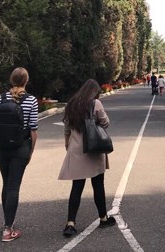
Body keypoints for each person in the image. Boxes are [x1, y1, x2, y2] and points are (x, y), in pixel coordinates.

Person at [0, 67, 39, 242]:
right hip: (20, 147)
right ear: (26, 81)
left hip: (1, 148)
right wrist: (30, 151)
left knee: (6, 184)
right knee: (13, 187)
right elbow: (33, 130)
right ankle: (8, 230)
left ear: (11, 80)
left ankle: (8, 222)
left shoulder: (1, 99)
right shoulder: (31, 100)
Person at [58, 79, 115, 238]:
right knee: (98, 185)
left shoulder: (71, 104)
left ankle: (70, 223)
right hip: (94, 149)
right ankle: (103, 218)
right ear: (94, 92)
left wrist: (67, 144)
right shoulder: (96, 104)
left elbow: (67, 128)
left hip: (76, 149)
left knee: (77, 187)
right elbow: (105, 123)